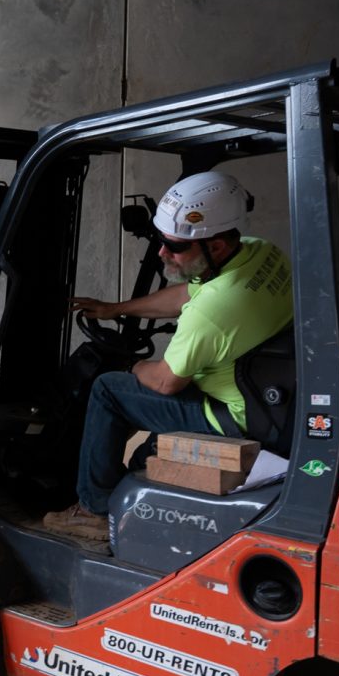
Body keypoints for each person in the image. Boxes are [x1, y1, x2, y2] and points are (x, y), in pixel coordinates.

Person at [40, 169, 293, 545]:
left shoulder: (215, 311)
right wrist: (117, 309)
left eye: (174, 246)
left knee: (110, 388)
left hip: (233, 418)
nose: (162, 252)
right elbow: (184, 295)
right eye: (162, 241)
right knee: (148, 441)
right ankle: (134, 485)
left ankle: (93, 509)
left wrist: (133, 366)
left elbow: (166, 381)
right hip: (269, 399)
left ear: (217, 246)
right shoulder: (259, 253)